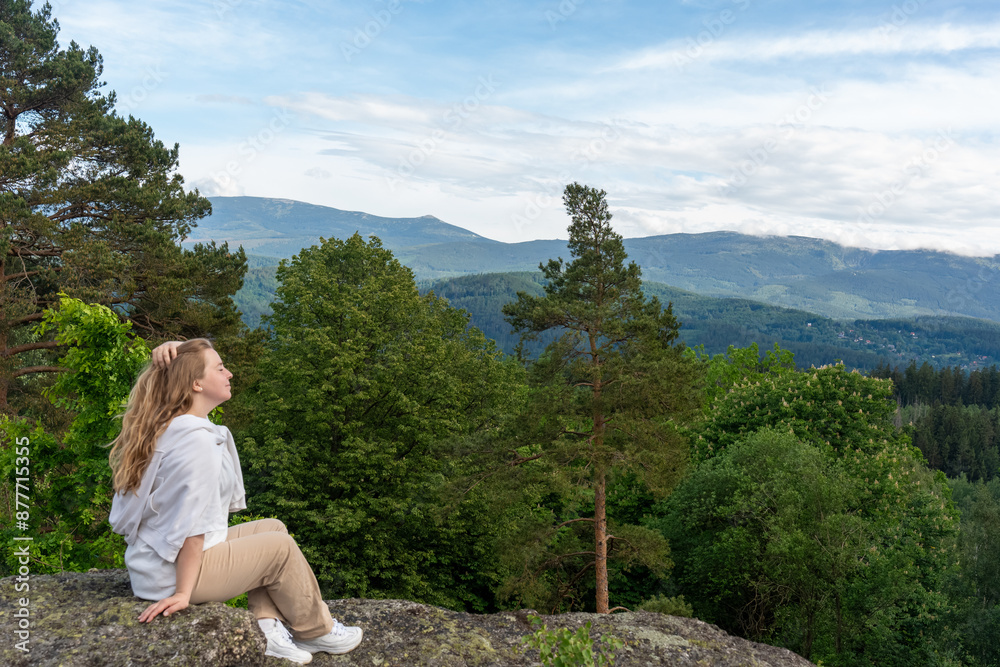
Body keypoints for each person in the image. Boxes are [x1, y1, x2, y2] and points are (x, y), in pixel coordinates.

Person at [108, 339, 362, 665]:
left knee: (274, 528)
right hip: (173, 573)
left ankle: (268, 630)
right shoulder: (197, 443)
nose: (229, 373)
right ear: (196, 383)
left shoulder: (170, 427)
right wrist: (183, 594)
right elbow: (191, 525)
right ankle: (315, 631)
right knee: (280, 550)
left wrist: (178, 349)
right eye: (219, 367)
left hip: (159, 563)